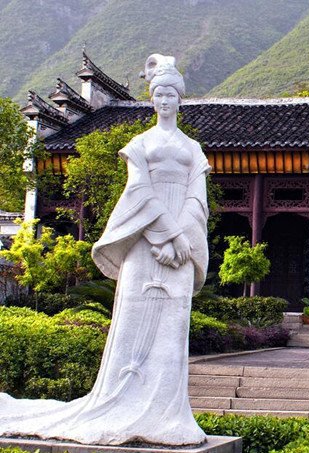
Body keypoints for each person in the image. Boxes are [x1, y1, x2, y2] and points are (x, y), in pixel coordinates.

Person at [0, 54, 210, 446]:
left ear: (180, 99)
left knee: (172, 329)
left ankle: (166, 415)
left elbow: (198, 200)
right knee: (132, 320)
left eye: (171, 94)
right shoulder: (139, 144)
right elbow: (138, 192)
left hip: (181, 248)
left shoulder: (193, 149)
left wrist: (182, 240)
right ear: (152, 99)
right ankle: (120, 403)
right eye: (159, 94)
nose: (165, 101)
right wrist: (169, 236)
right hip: (145, 242)